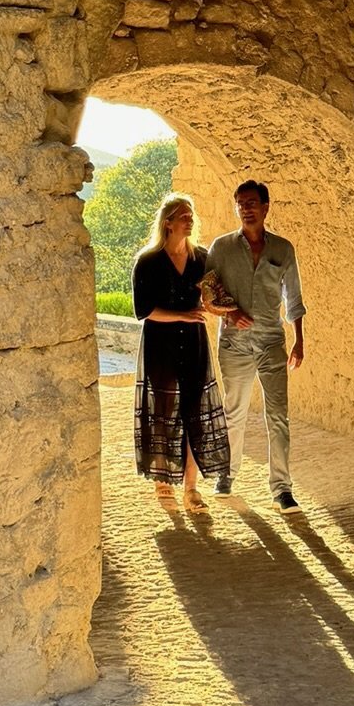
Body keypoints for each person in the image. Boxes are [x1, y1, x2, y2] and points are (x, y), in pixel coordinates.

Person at [206, 180, 306, 513]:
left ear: (265, 207)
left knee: (278, 415)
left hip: (271, 340)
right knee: (233, 411)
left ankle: (282, 489)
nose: (246, 208)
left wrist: (299, 341)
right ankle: (226, 474)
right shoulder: (220, 248)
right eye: (240, 203)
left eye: (251, 202)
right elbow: (206, 294)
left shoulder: (283, 249)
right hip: (234, 343)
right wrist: (230, 313)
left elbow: (294, 299)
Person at [131, 194, 231, 508]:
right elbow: (143, 310)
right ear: (168, 223)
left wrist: (231, 309)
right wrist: (183, 315)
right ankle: (163, 484)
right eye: (182, 215)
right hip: (160, 343)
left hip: (194, 342)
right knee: (163, 412)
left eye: (191, 215)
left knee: (194, 414)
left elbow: (217, 296)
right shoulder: (148, 260)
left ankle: (191, 488)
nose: (189, 219)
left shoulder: (201, 257)